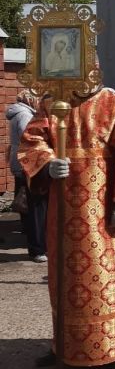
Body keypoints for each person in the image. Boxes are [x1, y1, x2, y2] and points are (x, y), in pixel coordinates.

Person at [18, 85, 115, 369]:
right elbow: (32, 142)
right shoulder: (51, 104)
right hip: (65, 211)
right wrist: (47, 164)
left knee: (106, 279)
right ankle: (66, 345)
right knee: (67, 281)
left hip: (106, 209)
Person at [6, 90, 47, 262]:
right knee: (32, 202)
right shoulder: (24, 114)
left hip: (20, 159)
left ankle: (28, 232)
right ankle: (36, 246)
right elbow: (30, 137)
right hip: (28, 161)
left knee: (25, 198)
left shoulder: (19, 112)